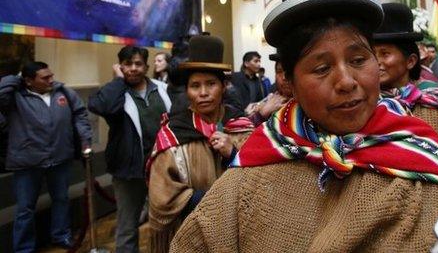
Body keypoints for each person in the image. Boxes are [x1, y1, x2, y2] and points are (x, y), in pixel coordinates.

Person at [170, 0, 438, 252]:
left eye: (358, 60)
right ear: (288, 81)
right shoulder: (251, 174)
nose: (347, 82)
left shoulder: (421, 153)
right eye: (321, 68)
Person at [147, 35, 254, 253]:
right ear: (187, 91)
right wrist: (208, 203)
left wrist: (232, 153)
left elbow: (260, 180)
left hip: (237, 237)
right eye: (195, 85)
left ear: (224, 86)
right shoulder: (173, 133)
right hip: (189, 237)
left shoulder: (241, 128)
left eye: (211, 84)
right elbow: (161, 197)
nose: (203, 93)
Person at [0, 62, 93, 252]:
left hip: (60, 157)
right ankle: (24, 248)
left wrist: (85, 139)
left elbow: (80, 114)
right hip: (27, 161)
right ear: (28, 80)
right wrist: (16, 78)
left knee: (61, 199)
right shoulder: (15, 97)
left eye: (51, 75)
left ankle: (61, 235)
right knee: (25, 209)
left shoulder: (63, 93)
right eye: (44, 78)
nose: (51, 80)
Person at [373, 3, 438, 171]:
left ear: (411, 61)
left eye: (385, 54)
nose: (376, 62)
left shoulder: (437, 101)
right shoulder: (365, 107)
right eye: (372, 54)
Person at [88, 46, 171, 253]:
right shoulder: (116, 92)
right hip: (128, 170)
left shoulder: (161, 88)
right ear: (120, 66)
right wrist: (117, 80)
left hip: (162, 168)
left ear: (146, 66)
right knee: (127, 227)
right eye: (127, 64)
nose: (133, 68)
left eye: (138, 64)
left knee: (166, 223)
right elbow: (103, 107)